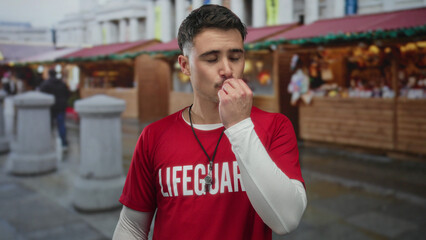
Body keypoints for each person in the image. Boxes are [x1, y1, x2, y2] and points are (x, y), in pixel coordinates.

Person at [113, 4, 307, 240]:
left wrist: (239, 126)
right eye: (212, 59)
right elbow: (132, 226)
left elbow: (287, 220)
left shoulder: (275, 126)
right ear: (185, 65)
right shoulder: (154, 136)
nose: (227, 69)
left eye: (235, 57)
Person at [40, 68, 70, 149]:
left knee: (48, 125)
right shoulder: (61, 83)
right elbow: (67, 94)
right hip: (60, 107)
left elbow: (41, 95)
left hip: (50, 108)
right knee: (61, 125)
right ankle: (63, 143)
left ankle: (46, 142)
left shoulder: (46, 84)